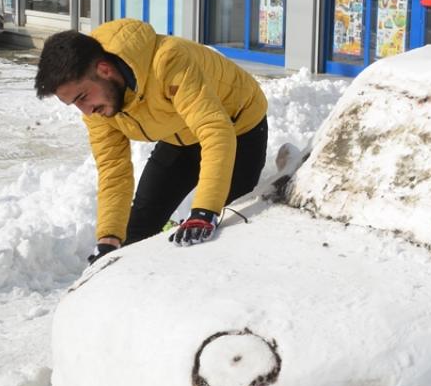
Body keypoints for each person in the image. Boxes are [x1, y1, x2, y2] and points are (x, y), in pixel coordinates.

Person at [34, 19, 268, 264]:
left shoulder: (168, 61)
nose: (86, 111)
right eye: (75, 103)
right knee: (137, 229)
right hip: (179, 136)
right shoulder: (98, 106)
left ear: (104, 69)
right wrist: (109, 239)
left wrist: (205, 210)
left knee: (227, 223)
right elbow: (114, 169)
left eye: (83, 97)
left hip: (238, 127)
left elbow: (214, 130)